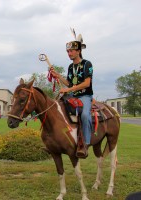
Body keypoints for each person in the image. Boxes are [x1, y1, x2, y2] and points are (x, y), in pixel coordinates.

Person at [50, 30, 93, 158]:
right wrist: (58, 75)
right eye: (67, 51)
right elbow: (69, 83)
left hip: (85, 96)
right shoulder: (70, 67)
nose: (69, 53)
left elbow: (86, 83)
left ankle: (85, 144)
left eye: (71, 51)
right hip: (73, 96)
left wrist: (68, 90)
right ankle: (56, 142)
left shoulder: (87, 64)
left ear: (78, 51)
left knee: (85, 115)